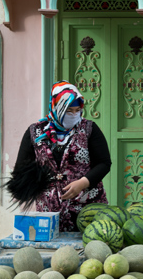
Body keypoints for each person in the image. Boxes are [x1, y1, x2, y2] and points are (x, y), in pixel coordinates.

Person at [7, 81, 111, 231]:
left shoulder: (89, 129)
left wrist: (82, 183)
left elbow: (104, 163)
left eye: (77, 110)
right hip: (48, 213)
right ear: (56, 107)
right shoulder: (35, 132)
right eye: (69, 110)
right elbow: (21, 169)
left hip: (88, 210)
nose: (74, 115)